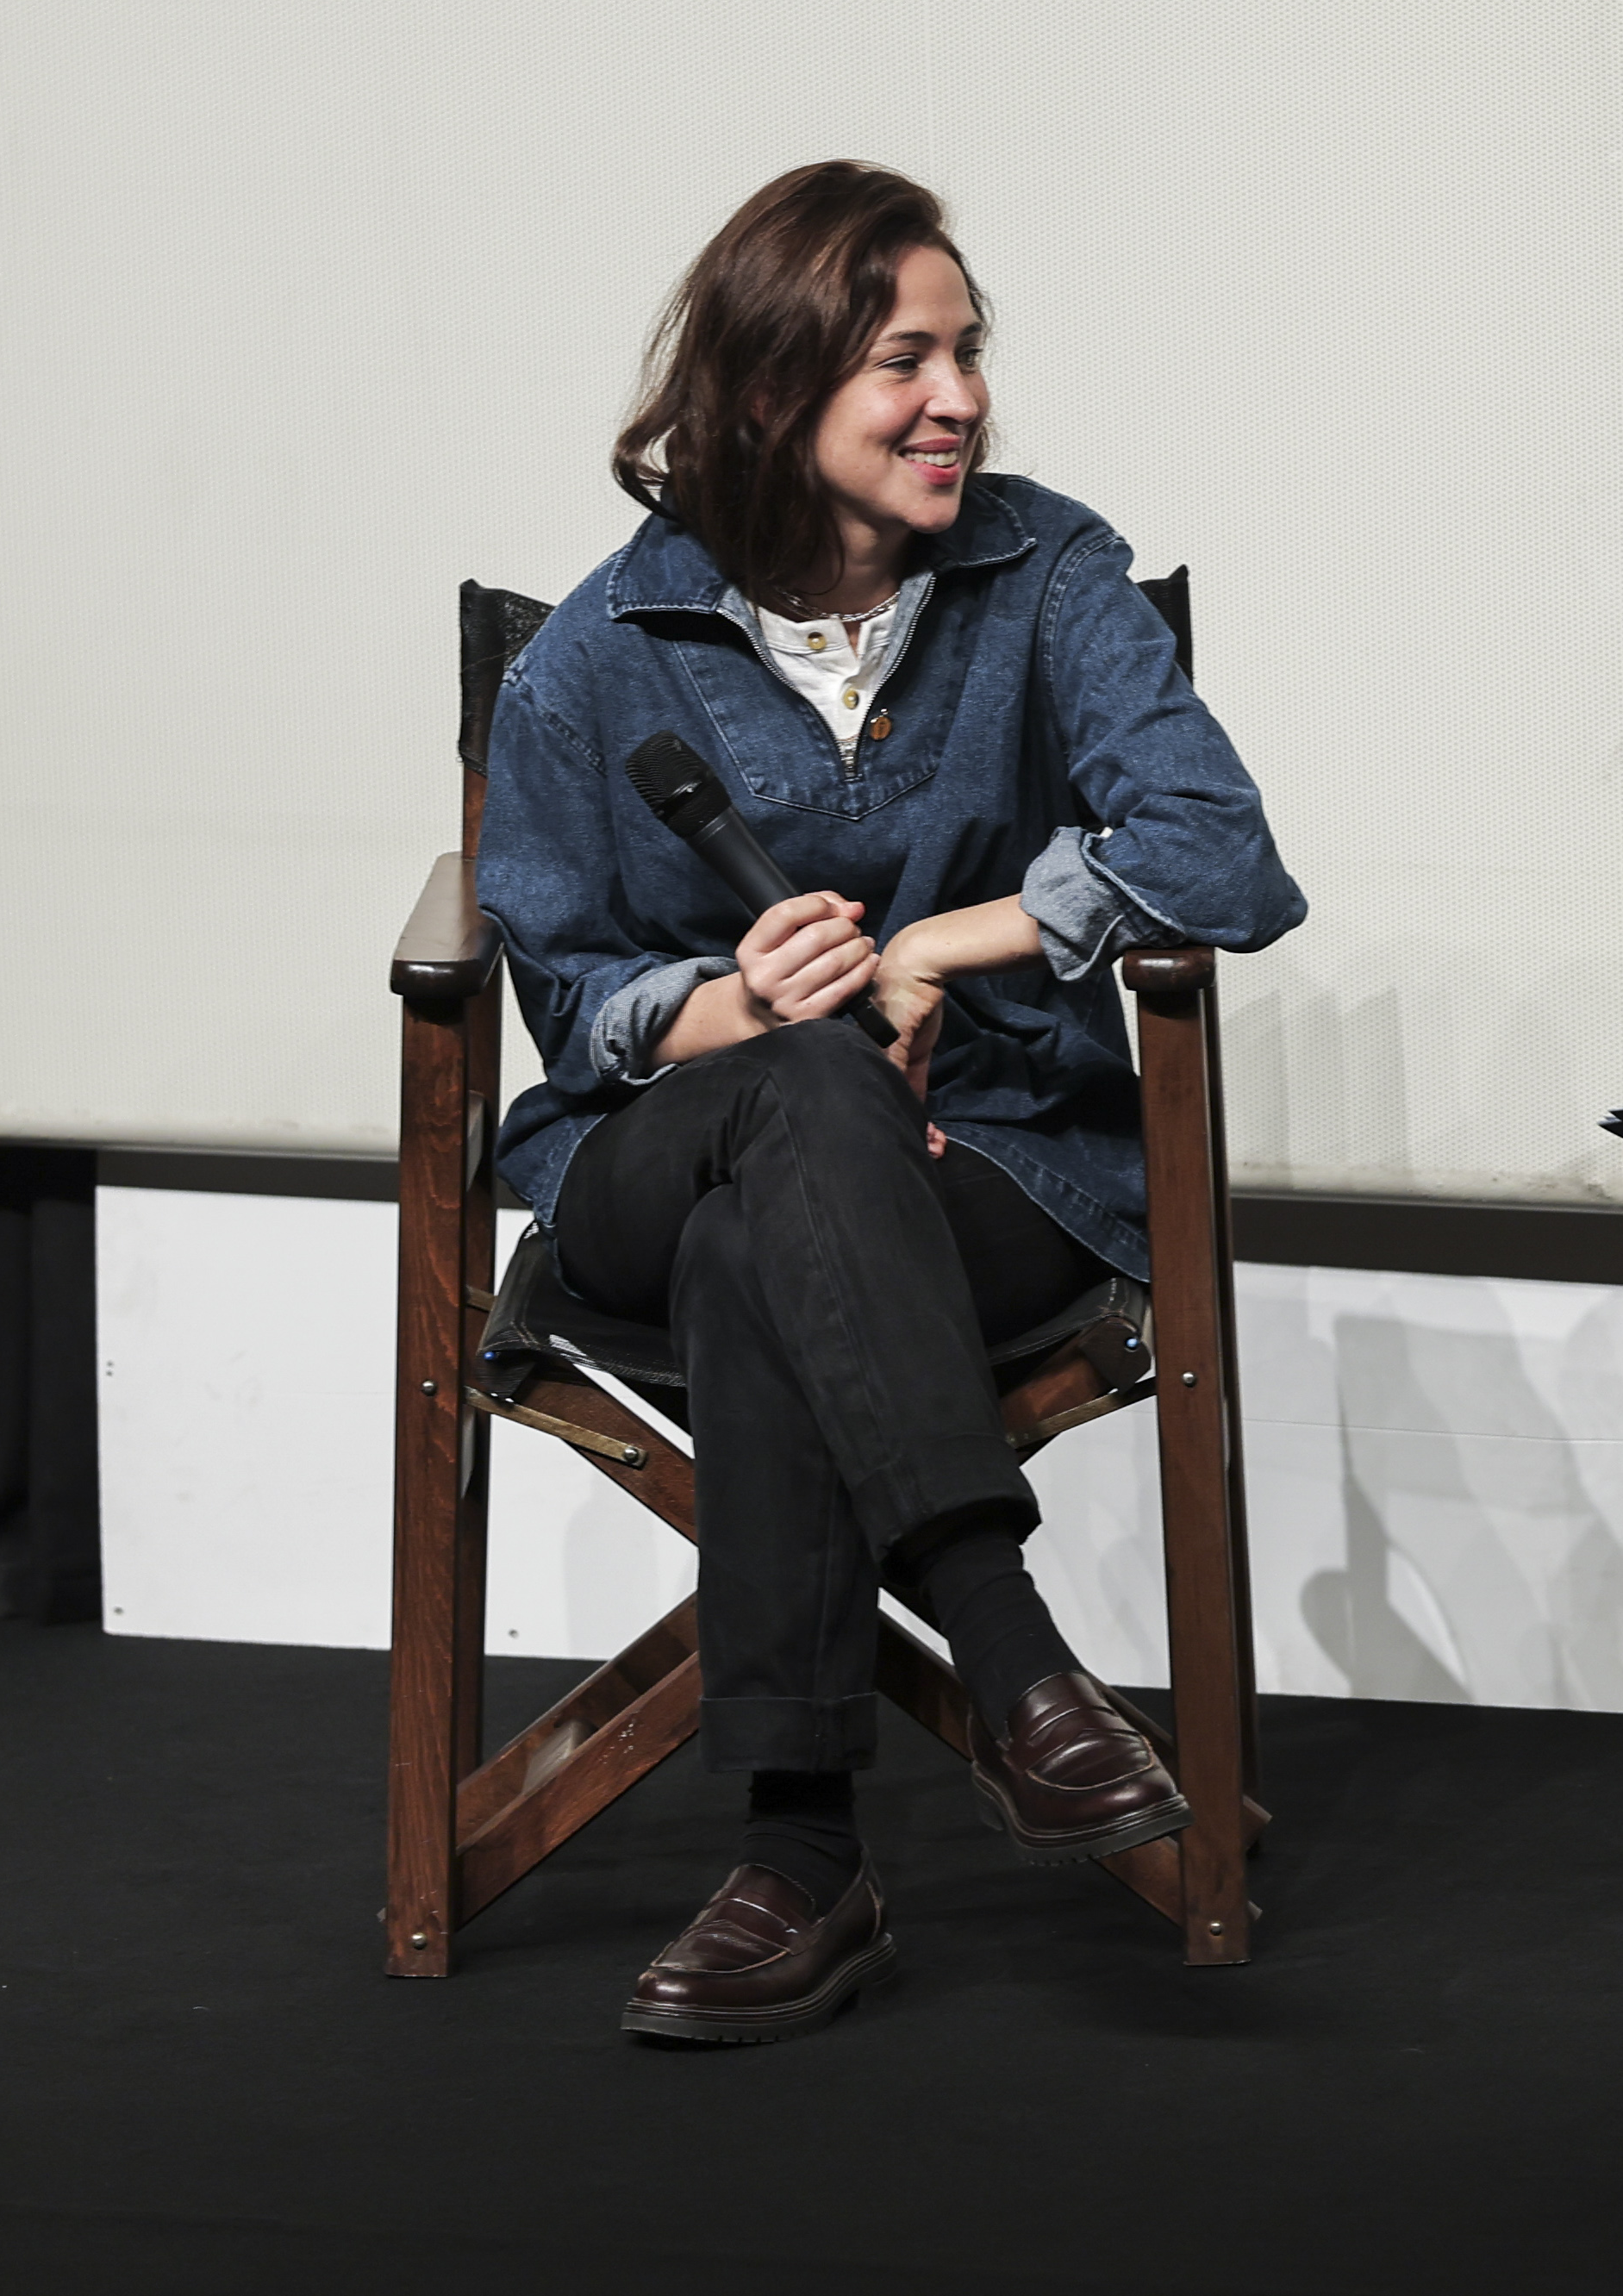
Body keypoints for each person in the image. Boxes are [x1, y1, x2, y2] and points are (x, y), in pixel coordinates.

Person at [479, 161, 1304, 2045]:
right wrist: (734, 1007)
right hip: (651, 1150)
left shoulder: (1047, 575)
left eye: (969, 354)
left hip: (988, 1161)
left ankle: (800, 1860)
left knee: (763, 1249)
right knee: (791, 1095)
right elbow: (564, 990)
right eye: (906, 364)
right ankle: (1013, 1659)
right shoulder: (598, 653)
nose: (961, 401)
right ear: (774, 393)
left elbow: (1221, 853)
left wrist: (941, 945)